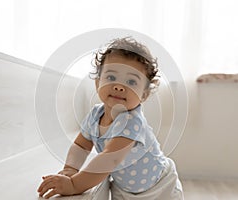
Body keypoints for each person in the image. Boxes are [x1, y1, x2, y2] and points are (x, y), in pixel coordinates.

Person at [37, 37, 184, 199]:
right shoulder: (95, 115)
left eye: (131, 81)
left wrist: (74, 185)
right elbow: (81, 146)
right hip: (125, 188)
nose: (119, 86)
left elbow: (109, 160)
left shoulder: (132, 122)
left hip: (159, 187)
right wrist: (70, 169)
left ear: (144, 94)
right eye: (111, 78)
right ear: (98, 82)